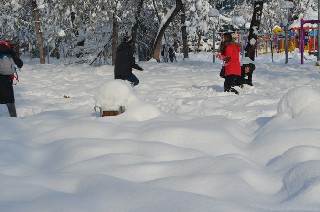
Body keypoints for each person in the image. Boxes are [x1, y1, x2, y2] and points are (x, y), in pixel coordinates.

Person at [0, 40, 23, 117]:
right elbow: (20, 63)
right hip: (7, 79)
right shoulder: (9, 52)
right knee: (9, 99)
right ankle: (13, 118)